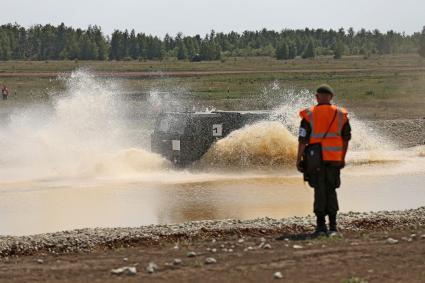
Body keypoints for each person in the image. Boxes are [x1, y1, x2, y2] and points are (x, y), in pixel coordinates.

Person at [296, 84, 351, 237]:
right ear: (331, 97)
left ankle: (321, 226)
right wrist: (342, 158)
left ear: (317, 97)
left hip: (316, 160)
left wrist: (298, 159)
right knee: (331, 190)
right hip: (334, 160)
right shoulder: (341, 114)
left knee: (319, 191)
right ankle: (333, 226)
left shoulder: (308, 115)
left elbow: (302, 140)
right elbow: (346, 140)